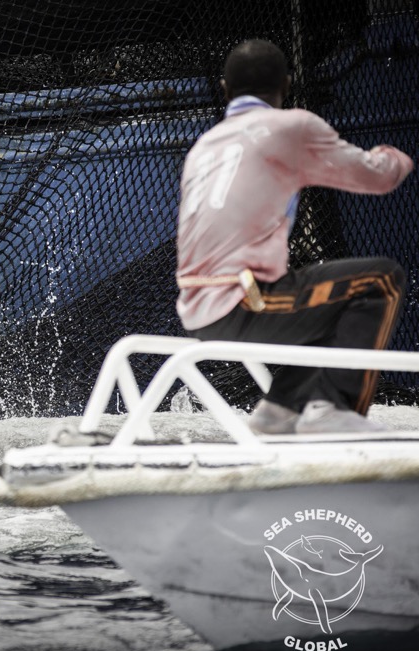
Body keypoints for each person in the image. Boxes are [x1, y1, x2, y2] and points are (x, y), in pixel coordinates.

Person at [175, 38, 414, 434]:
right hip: (245, 300)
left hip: (196, 307)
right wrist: (400, 154)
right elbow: (379, 176)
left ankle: (279, 411)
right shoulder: (291, 127)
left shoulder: (205, 146)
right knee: (381, 280)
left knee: (329, 303)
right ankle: (335, 410)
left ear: (224, 89)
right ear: (286, 85)